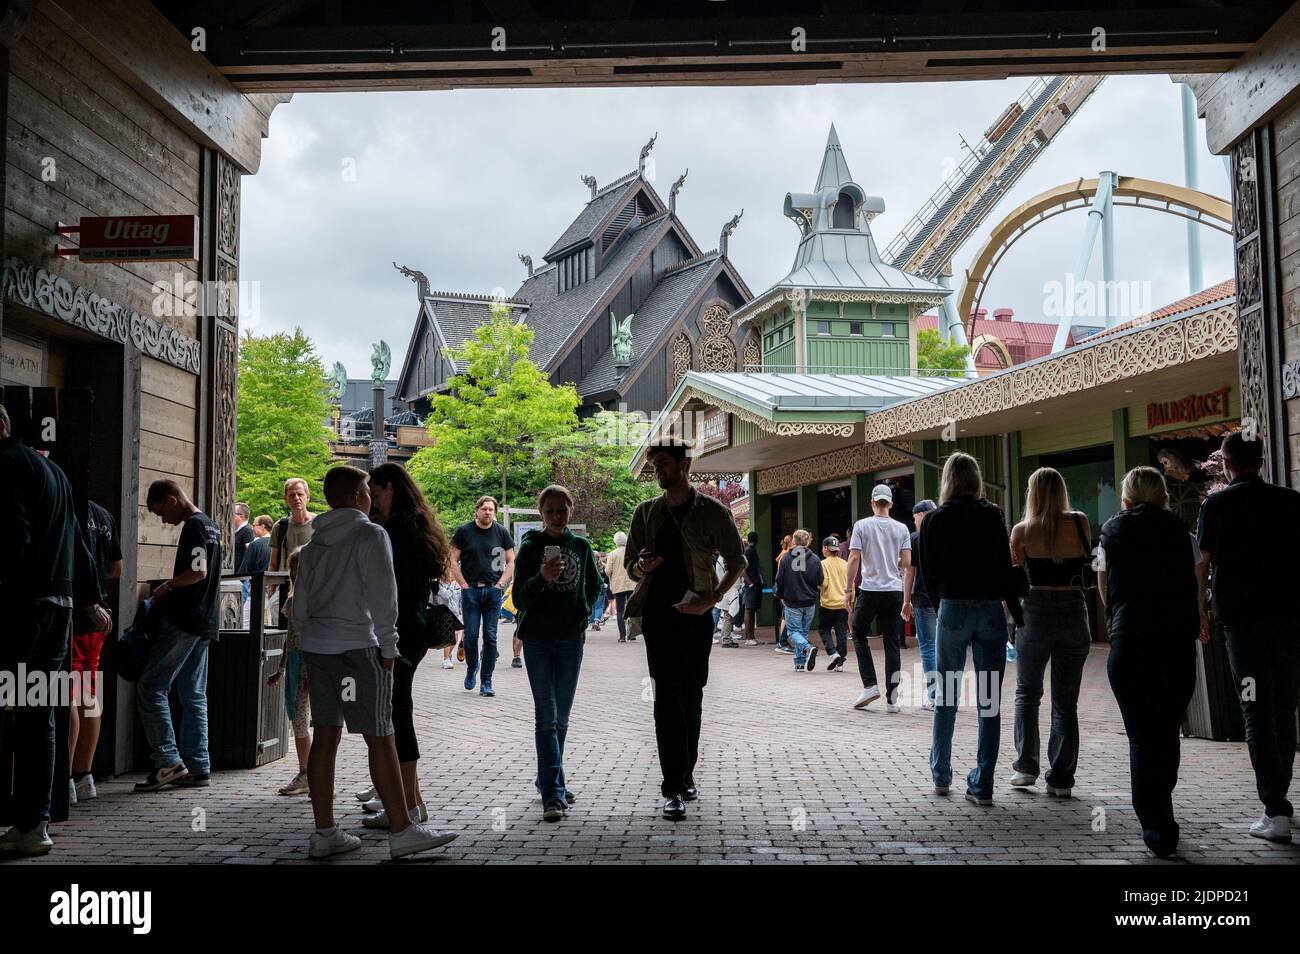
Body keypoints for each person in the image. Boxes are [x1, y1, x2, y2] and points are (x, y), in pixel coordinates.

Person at [293, 465, 456, 860]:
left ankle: (325, 832)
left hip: (319, 649)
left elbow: (300, 604)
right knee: (381, 736)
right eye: (366, 490)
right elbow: (385, 599)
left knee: (325, 737)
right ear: (354, 497)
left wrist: (303, 647)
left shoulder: (315, 545)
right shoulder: (371, 534)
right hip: (360, 647)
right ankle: (402, 829)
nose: (370, 496)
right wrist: (388, 647)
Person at [0, 404, 109, 856]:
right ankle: (34, 823)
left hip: (18, 608)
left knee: (17, 713)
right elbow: (78, 545)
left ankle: (25, 819)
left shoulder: (4, 466)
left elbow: (12, 540)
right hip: (58, 608)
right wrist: (88, 600)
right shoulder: (55, 474)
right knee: (38, 714)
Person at [625, 442, 746, 820]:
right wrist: (642, 567)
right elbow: (630, 564)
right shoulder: (645, 513)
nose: (658, 471)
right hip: (659, 618)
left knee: (691, 697)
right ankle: (672, 787)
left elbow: (737, 562)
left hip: (696, 618)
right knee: (664, 699)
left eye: (663, 464)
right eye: (654, 466)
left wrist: (713, 599)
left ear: (684, 465)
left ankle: (687, 773)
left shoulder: (713, 513)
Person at [1196, 431, 1300, 844]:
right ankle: (1280, 800)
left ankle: (1275, 808)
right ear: (1261, 457)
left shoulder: (1217, 504)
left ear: (1225, 461)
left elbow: (1202, 561)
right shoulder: (1292, 501)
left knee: (1254, 707)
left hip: (1241, 623)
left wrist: (1200, 609)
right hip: (1290, 619)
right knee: (1283, 707)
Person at [1098, 466, 1200, 858]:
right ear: (1162, 496)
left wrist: (1121, 619)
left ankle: (1157, 826)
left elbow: (1106, 590)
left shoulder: (1112, 533)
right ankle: (1161, 809)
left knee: (1142, 738)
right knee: (1166, 732)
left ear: (1126, 498)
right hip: (1174, 645)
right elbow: (1193, 586)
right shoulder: (1182, 532)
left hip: (1131, 645)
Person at [920, 452, 1022, 806]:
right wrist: (1016, 615)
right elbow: (1004, 567)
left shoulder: (934, 520)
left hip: (952, 608)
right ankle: (983, 784)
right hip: (989, 608)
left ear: (947, 480)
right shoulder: (992, 515)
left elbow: (928, 573)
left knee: (945, 696)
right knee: (988, 701)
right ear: (976, 479)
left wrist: (942, 605)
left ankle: (941, 775)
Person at [363, 462, 452, 830]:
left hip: (396, 634)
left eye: (375, 491)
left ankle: (406, 807)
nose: (370, 499)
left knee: (395, 717)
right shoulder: (416, 526)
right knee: (400, 712)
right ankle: (412, 802)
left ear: (390, 490)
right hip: (412, 632)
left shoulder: (392, 532)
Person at [513, 485, 601, 822]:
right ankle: (553, 795)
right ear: (540, 513)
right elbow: (519, 597)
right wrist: (542, 577)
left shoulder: (580, 546)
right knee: (546, 718)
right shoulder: (530, 548)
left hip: (570, 640)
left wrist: (582, 614)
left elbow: (595, 586)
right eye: (549, 511)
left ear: (570, 509)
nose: (555, 516)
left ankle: (548, 777)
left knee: (560, 718)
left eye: (561, 510)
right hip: (536, 640)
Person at [1008, 468, 1093, 798]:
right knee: (1065, 701)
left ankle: (1026, 767)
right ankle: (1060, 778)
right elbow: (1089, 558)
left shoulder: (1021, 530)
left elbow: (1015, 578)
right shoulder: (1080, 521)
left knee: (1027, 693)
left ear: (1033, 493)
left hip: (1035, 610)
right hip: (1074, 608)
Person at [135, 479, 222, 792]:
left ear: (172, 500)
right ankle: (199, 766)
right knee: (193, 694)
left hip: (185, 620)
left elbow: (198, 572)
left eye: (161, 512)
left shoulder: (194, 527)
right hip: (206, 622)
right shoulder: (213, 526)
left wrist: (167, 586)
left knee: (151, 687)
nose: (163, 520)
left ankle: (167, 761)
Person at [69, 497, 123, 805]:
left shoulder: (67, 509)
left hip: (76, 613)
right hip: (101, 613)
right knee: (89, 692)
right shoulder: (104, 515)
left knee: (67, 694)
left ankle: (64, 780)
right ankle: (84, 776)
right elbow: (116, 567)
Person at [845, 484, 911, 712]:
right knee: (892, 641)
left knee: (858, 633)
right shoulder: (902, 529)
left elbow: (854, 558)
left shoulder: (862, 526)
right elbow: (906, 564)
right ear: (890, 503)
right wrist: (906, 597)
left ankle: (870, 685)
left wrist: (848, 590)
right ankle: (892, 699)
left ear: (872, 502)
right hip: (894, 590)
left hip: (871, 589)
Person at [449, 495, 515, 696]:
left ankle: (487, 681)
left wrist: (501, 584)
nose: (488, 513)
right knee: (470, 636)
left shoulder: (501, 532)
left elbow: (511, 561)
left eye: (491, 510)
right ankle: (472, 669)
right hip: (471, 592)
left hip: (493, 592)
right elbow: (452, 560)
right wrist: (463, 584)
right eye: (484, 509)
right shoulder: (464, 532)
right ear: (477, 510)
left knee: (491, 637)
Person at [268, 547, 311, 796]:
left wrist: (312, 673)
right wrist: (281, 669)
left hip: (308, 664)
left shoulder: (310, 602)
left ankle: (309, 773)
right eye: (292, 568)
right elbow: (289, 639)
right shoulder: (293, 600)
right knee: (298, 720)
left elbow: (310, 638)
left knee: (302, 722)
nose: (294, 573)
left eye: (300, 568)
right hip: (296, 663)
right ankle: (309, 773)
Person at [901, 500, 937, 708]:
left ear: (922, 515)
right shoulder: (945, 537)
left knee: (928, 648)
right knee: (945, 648)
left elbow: (909, 572)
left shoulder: (915, 539)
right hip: (946, 600)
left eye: (915, 517)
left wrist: (906, 601)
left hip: (924, 600)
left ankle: (934, 696)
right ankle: (948, 695)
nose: (914, 521)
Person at [774, 529, 822, 672]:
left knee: (793, 632)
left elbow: (779, 580)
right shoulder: (815, 558)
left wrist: (781, 595)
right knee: (803, 632)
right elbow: (820, 580)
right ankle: (800, 662)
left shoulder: (786, 558)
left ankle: (807, 648)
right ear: (807, 541)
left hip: (792, 601)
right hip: (809, 601)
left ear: (794, 541)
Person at [270, 478, 316, 627]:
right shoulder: (280, 526)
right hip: (286, 586)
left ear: (307, 497)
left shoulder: (319, 524)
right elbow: (273, 562)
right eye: (292, 495)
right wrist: (271, 590)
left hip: (313, 586)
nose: (296, 498)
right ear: (285, 499)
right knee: (282, 627)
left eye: (300, 494)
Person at [818, 535, 849, 671]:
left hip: (828, 603)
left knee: (824, 629)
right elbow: (851, 585)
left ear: (825, 548)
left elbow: (824, 584)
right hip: (843, 603)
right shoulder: (845, 564)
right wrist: (850, 600)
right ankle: (840, 662)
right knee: (841, 631)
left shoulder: (823, 564)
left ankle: (833, 653)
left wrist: (817, 585)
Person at [605, 531, 636, 642]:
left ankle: (622, 636)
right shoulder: (631, 551)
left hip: (618, 586)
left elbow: (607, 570)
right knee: (632, 609)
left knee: (620, 610)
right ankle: (632, 634)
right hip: (632, 583)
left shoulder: (612, 554)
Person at [741, 530, 763, 646]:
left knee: (752, 610)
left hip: (754, 584)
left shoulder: (751, 550)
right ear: (756, 540)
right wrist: (750, 583)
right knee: (749, 610)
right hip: (751, 585)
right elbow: (742, 569)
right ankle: (748, 638)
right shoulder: (749, 551)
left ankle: (752, 636)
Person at [773, 534, 793, 652]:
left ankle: (783, 640)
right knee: (786, 616)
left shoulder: (783, 554)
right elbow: (780, 576)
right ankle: (782, 641)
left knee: (786, 616)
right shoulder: (785, 555)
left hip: (783, 589)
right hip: (785, 590)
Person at [232, 502, 252, 570]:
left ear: (241, 516)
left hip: (240, 576)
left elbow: (249, 555)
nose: (229, 515)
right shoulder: (235, 531)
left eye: (232, 513)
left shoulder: (248, 531)